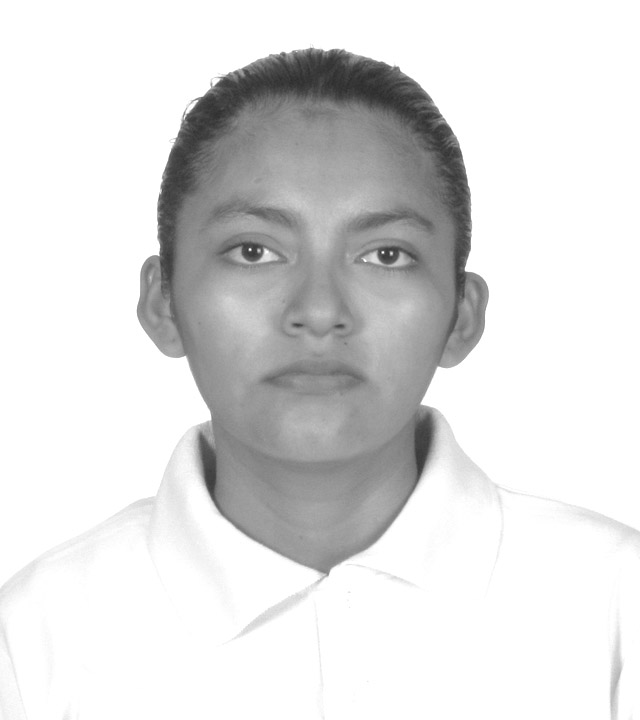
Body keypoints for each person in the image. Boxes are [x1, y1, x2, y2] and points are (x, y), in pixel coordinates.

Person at [0, 47, 638, 719]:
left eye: (385, 255)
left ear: (461, 315)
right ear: (164, 303)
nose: (320, 310)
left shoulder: (615, 608)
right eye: (254, 251)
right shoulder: (34, 642)